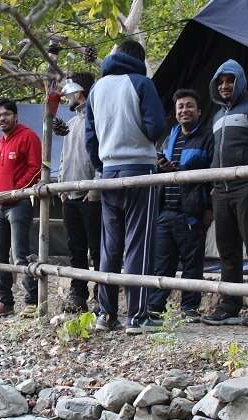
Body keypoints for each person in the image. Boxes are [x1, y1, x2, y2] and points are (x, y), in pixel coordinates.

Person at [85, 39, 166, 333]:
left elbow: (90, 139)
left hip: (108, 172)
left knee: (110, 245)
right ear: (140, 59)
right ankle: (137, 314)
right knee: (138, 243)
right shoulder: (141, 83)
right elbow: (156, 126)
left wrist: (102, 164)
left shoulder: (97, 89)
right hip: (139, 170)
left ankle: (105, 313)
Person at [201, 59, 248, 328]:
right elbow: (215, 157)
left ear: (241, 81)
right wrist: (213, 188)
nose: (224, 86)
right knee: (227, 250)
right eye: (220, 81)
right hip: (221, 193)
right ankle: (230, 306)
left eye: (230, 80)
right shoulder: (217, 117)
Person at [147, 89, 213, 323]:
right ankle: (155, 308)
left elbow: (213, 175)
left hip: (192, 213)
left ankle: (189, 310)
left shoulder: (207, 137)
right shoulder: (170, 136)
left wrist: (209, 209)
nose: (185, 110)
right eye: (180, 107)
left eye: (189, 106)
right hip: (165, 210)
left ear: (199, 111)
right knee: (161, 263)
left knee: (192, 264)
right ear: (176, 113)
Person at [0, 98, 41, 318]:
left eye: (6, 114)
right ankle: (5, 302)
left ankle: (32, 302)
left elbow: (35, 168)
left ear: (15, 116)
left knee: (20, 254)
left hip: (18, 203)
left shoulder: (28, 137)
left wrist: (16, 190)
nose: (2, 119)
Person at [55, 72, 101, 313]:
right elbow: (63, 158)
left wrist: (95, 186)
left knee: (97, 247)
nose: (66, 97)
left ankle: (100, 296)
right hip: (70, 194)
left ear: (80, 92)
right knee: (76, 248)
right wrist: (62, 185)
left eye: (69, 92)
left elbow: (101, 155)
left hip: (90, 195)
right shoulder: (70, 125)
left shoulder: (97, 120)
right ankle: (79, 293)